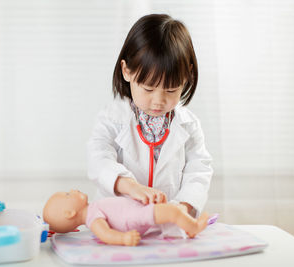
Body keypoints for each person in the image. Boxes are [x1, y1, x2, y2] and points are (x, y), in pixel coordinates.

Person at [87, 14, 213, 235]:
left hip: (168, 227)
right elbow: (99, 160)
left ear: (187, 77)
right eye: (148, 88)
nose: (159, 100)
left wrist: (183, 207)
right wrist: (131, 187)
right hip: (117, 227)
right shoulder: (112, 119)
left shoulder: (189, 125)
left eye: (171, 90)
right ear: (127, 71)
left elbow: (199, 172)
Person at [43, 189, 209, 246]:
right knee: (174, 212)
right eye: (67, 194)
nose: (72, 190)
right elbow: (105, 234)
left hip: (137, 210)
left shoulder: (92, 208)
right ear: (70, 213)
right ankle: (193, 227)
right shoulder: (92, 218)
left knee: (174, 209)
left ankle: (187, 227)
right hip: (135, 217)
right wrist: (123, 238)